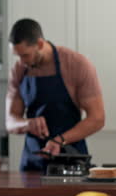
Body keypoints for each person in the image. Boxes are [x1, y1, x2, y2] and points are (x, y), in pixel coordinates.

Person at [6, 18, 105, 172]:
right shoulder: (19, 70)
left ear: (39, 44)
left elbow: (97, 119)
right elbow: (10, 122)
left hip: (71, 160)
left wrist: (59, 140)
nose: (22, 62)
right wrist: (27, 124)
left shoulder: (76, 64)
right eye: (18, 56)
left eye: (25, 55)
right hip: (32, 163)